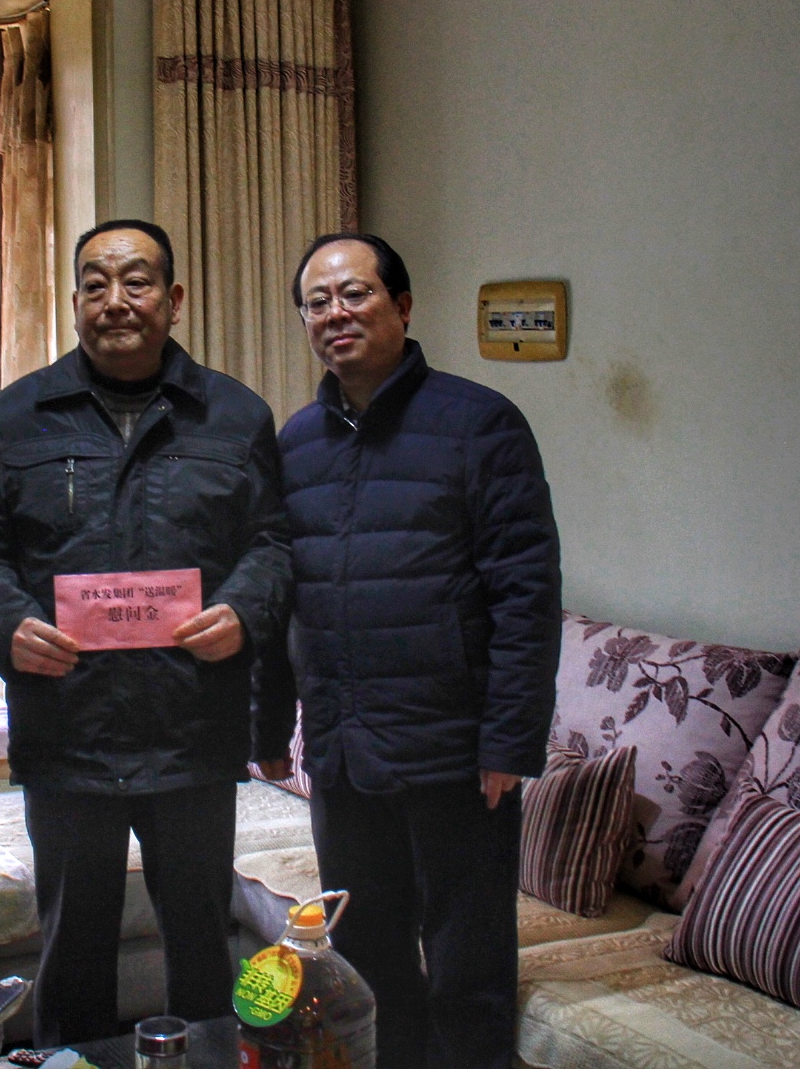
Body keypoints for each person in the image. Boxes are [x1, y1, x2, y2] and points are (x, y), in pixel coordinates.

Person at [0, 220, 293, 1046]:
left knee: (202, 952)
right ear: (73, 301)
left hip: (192, 734)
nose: (115, 301)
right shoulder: (16, 417)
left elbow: (274, 544)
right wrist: (8, 624)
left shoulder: (234, 415)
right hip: (68, 734)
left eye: (136, 282)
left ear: (173, 300)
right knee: (70, 956)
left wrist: (244, 610)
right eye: (95, 284)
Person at [268, 233, 562, 1069]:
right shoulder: (296, 443)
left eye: (355, 294)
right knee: (365, 961)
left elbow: (525, 592)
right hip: (343, 752)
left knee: (466, 968)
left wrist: (508, 742)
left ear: (401, 306)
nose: (335, 313)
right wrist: (276, 727)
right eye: (317, 302)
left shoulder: (479, 424)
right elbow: (282, 596)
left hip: (454, 755)